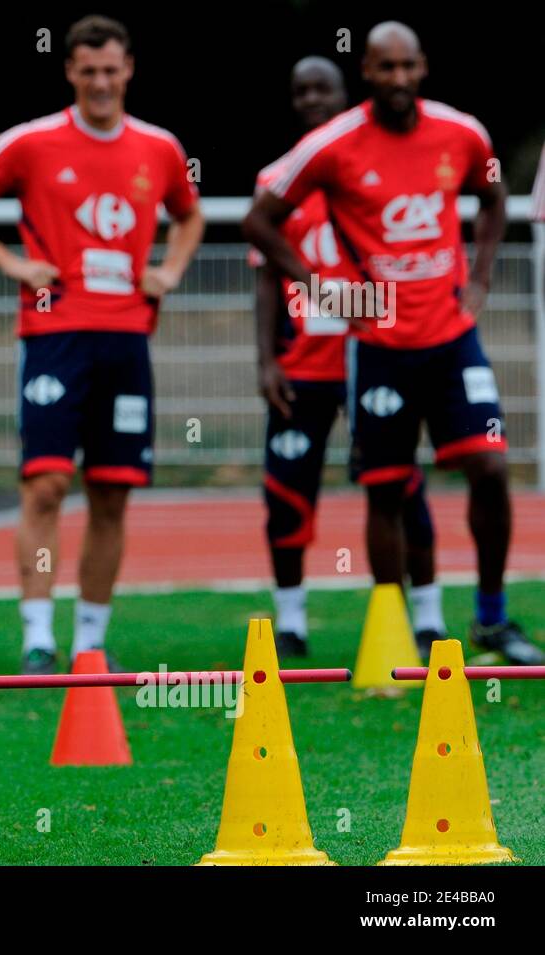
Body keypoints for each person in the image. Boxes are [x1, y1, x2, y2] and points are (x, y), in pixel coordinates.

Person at [244, 22, 542, 664]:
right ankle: (393, 629)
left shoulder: (461, 132)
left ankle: (491, 618)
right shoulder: (334, 145)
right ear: (369, 73)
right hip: (378, 341)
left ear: (423, 66)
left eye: (409, 66)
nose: (399, 78)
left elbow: (493, 195)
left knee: (490, 468)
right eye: (386, 67)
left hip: (452, 337)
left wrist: (481, 275)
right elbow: (259, 221)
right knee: (387, 485)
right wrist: (321, 287)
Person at [0, 15, 203, 674]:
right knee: (47, 483)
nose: (102, 82)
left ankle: (90, 639)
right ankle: (36, 636)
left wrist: (168, 271)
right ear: (71, 73)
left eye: (112, 70)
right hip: (54, 334)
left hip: (127, 338)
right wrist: (14, 264)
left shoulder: (160, 148)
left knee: (112, 491)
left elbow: (189, 213)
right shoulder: (32, 143)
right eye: (89, 71)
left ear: (129, 69)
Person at [251, 56, 444, 658]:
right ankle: (291, 621)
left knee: (399, 486)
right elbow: (262, 277)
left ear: (346, 95)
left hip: (376, 356)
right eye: (301, 90)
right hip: (304, 363)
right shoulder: (280, 179)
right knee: (286, 493)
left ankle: (426, 617)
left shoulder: (382, 171)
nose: (312, 99)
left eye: (322, 89)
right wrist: (265, 359)